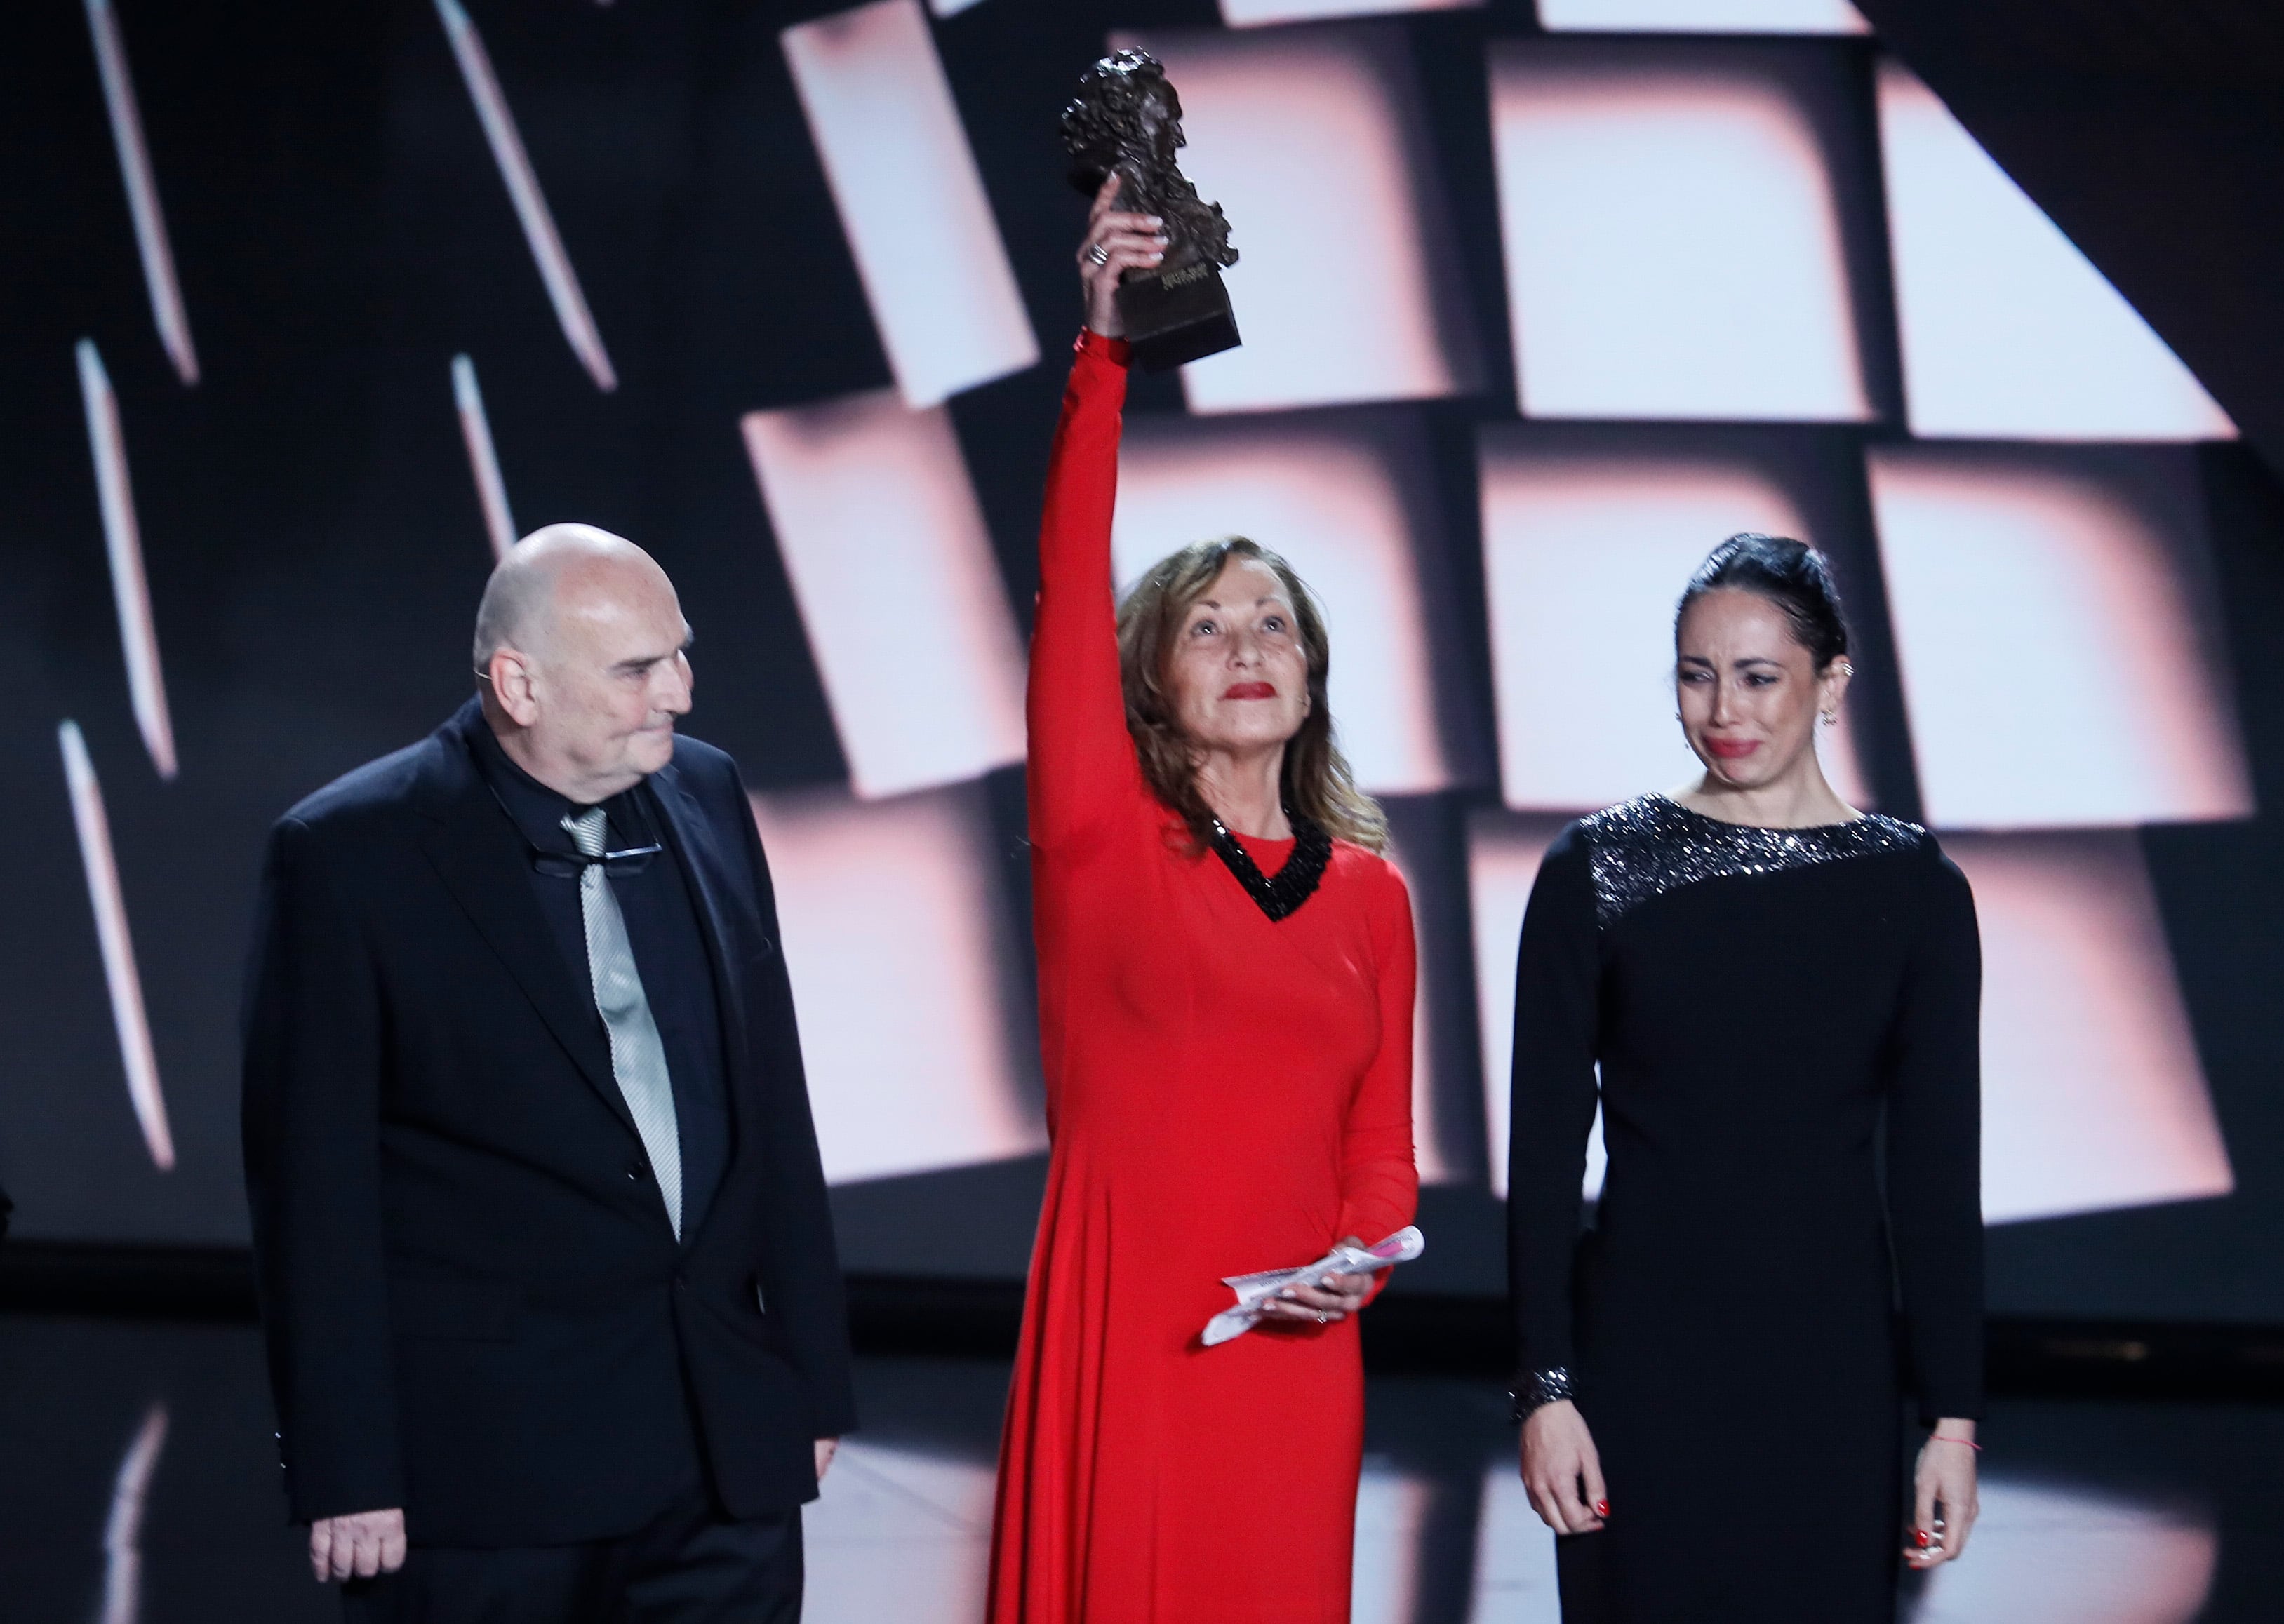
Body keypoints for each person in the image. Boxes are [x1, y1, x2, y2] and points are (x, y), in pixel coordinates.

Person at [241, 524, 855, 1621]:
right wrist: (349, 1469)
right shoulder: (350, 854)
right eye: (636, 668)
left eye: (679, 653)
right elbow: (312, 1195)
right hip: (485, 1474)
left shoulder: (708, 795)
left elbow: (771, 1100)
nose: (680, 689)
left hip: (721, 1452)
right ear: (518, 683)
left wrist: (808, 1380)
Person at [985, 180, 1420, 1624]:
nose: (1247, 643)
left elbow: (1378, 1150)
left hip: (1294, 1363)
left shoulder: (1370, 895)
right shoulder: (1102, 837)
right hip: (1131, 1344)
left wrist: (1354, 1264)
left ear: (1311, 674)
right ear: (1147, 683)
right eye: (1206, 623)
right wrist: (1100, 358)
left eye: (1274, 621)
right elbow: (1065, 576)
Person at [1506, 534, 1984, 1622]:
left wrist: (1951, 1419)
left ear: (1832, 681)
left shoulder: (1913, 889)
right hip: (1639, 1370)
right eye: (1696, 672)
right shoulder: (1597, 868)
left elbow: (1936, 1175)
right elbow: (1541, 1155)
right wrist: (1545, 1388)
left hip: (1833, 1374)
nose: (1723, 706)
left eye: (1759, 675)